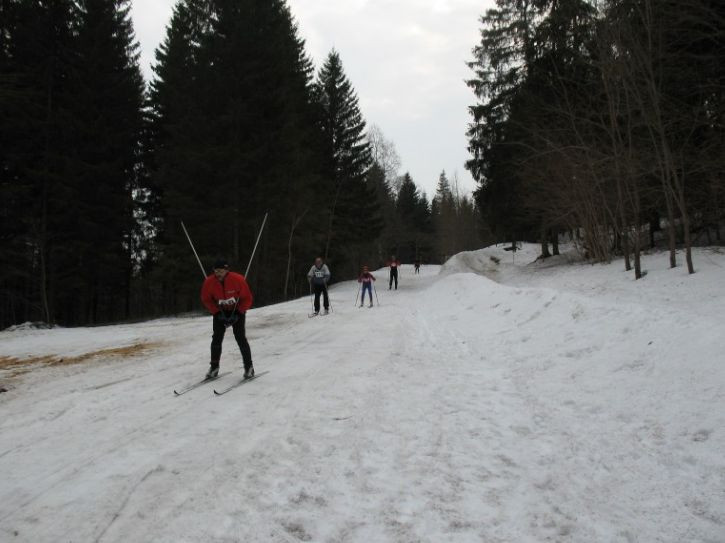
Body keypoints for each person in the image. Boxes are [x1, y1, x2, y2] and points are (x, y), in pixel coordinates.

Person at [200, 259, 254, 379]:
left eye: (220, 271)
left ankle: (249, 367)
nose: (218, 273)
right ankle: (214, 367)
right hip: (220, 311)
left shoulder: (238, 279)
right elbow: (206, 299)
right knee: (217, 338)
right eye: (215, 271)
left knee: (240, 337)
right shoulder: (209, 282)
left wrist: (239, 313)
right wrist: (217, 312)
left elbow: (248, 298)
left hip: (237, 310)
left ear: (226, 270)